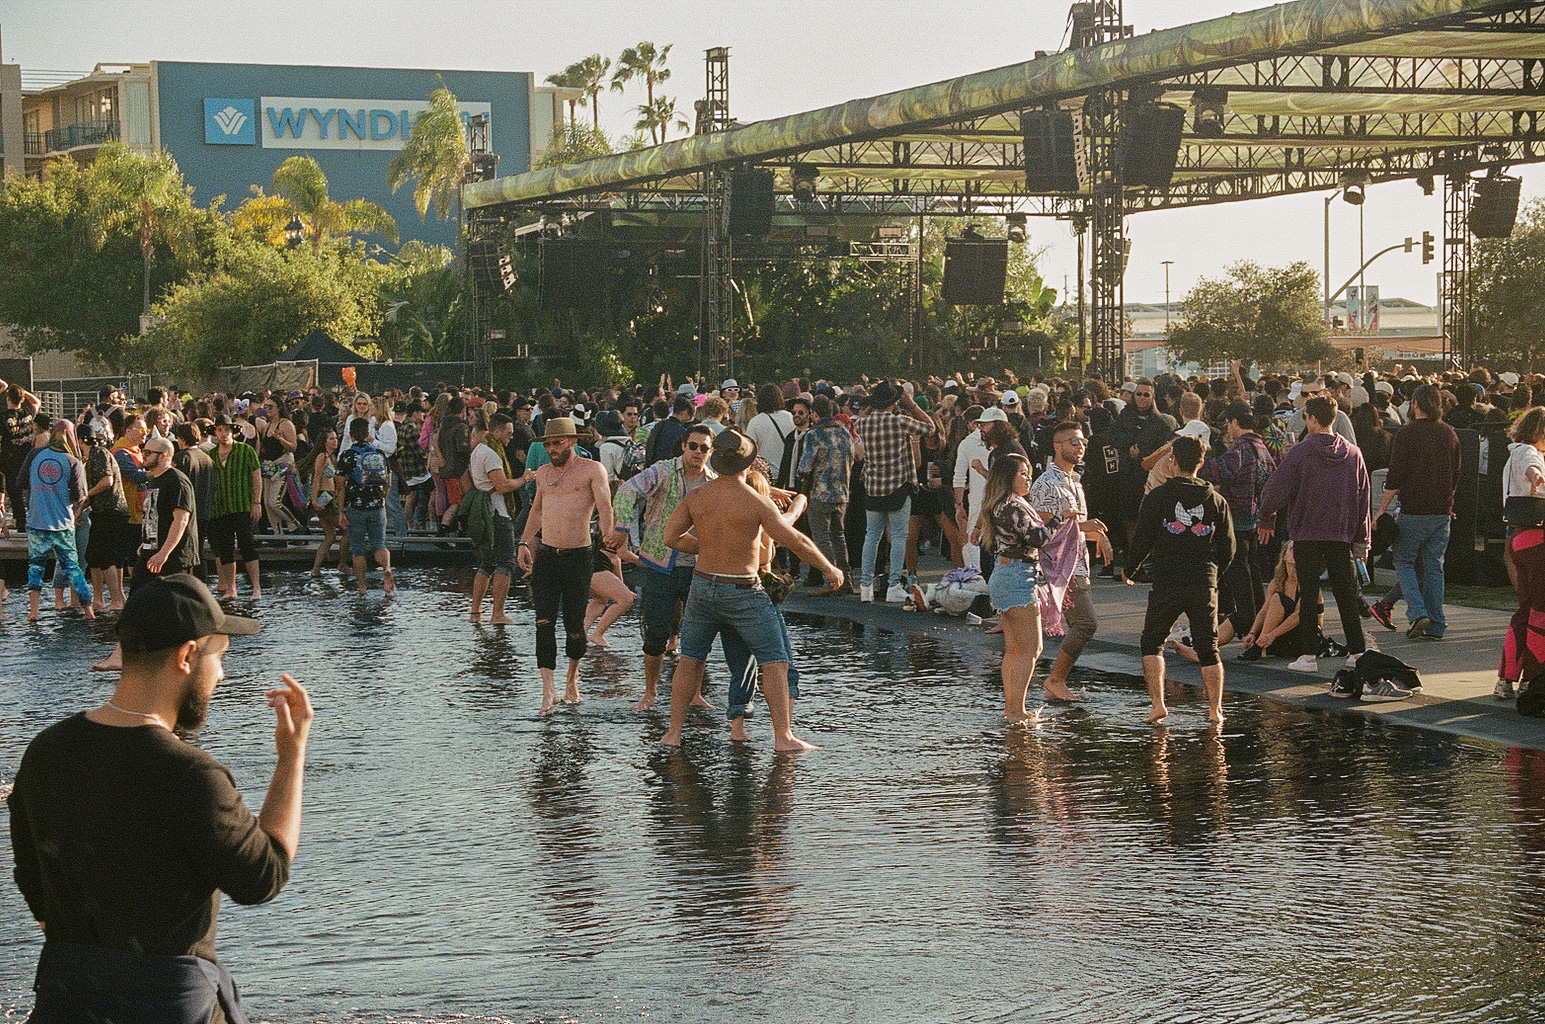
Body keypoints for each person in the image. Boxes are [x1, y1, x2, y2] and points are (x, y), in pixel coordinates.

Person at [8, 573, 310, 1022]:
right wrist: (291, 758)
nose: (222, 675)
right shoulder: (191, 775)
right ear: (187, 655)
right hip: (167, 1006)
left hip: (66, 1001)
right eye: (219, 657)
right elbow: (263, 877)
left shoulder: (46, 750)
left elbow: (31, 878)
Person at [658, 429, 842, 751]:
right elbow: (795, 541)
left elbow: (670, 538)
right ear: (748, 462)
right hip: (743, 590)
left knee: (690, 660)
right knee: (775, 660)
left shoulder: (697, 497)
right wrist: (829, 568)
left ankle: (673, 733)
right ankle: (783, 737)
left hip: (702, 587)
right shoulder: (755, 502)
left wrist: (706, 547)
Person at [1123, 435, 1235, 725]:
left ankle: (1158, 705)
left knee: (1152, 642)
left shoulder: (1157, 497)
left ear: (1172, 461)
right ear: (1201, 463)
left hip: (1167, 577)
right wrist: (1215, 574)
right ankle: (1215, 710)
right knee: (1208, 646)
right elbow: (1229, 546)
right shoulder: (1216, 500)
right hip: (1202, 579)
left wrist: (1130, 569)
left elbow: (1143, 538)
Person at [1258, 395, 1371, 675]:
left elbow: (1277, 488)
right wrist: (1362, 538)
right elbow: (1363, 497)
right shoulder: (1353, 454)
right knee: (1345, 592)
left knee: (1307, 593)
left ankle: (1308, 655)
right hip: (1341, 530)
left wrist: (1266, 516)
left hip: (1308, 529)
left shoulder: (1301, 452)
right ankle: (1357, 651)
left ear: (1310, 418)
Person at [609, 422, 717, 709]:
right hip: (659, 561)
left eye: (703, 448)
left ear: (710, 451)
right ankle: (650, 692)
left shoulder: (713, 480)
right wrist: (621, 527)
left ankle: (694, 694)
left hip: (697, 564)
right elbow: (627, 491)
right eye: (692, 446)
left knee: (699, 633)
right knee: (655, 632)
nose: (697, 452)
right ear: (683, 446)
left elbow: (742, 493)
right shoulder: (664, 470)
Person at [518, 417, 615, 714]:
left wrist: (609, 532)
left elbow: (604, 504)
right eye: (547, 444)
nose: (552, 449)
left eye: (557, 443)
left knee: (574, 625)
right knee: (543, 622)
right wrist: (523, 543)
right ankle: (548, 690)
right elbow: (536, 511)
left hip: (579, 556)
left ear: (572, 442)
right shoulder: (544, 473)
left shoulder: (592, 469)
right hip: (547, 554)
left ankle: (572, 678)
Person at [1029, 420, 1113, 700]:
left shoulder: (1074, 482)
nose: (1080, 447)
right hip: (1060, 567)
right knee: (1086, 624)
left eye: (1083, 442)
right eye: (1074, 442)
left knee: (1075, 626)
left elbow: (1075, 529)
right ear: (1057, 446)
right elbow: (1041, 532)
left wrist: (1096, 536)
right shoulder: (1046, 484)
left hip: (1077, 563)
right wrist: (1086, 528)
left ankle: (1046, 680)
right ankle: (1054, 680)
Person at [1375, 384, 1460, 641]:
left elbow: (1395, 475)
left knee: (1404, 561)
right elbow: (1455, 475)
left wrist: (1381, 510)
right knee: (1434, 567)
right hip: (1441, 511)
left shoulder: (1407, 433)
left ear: (1415, 404)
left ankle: (1417, 612)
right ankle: (1436, 623)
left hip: (1414, 508)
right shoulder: (1449, 433)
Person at [978, 453, 1058, 722]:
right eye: (1022, 473)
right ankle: (1017, 711)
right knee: (1031, 649)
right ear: (1007, 477)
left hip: (1005, 573)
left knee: (1013, 650)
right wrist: (1058, 519)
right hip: (1017, 577)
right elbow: (1037, 538)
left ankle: (1011, 709)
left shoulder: (999, 505)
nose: (1028, 478)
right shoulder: (1013, 506)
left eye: (1028, 473)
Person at [1198, 400, 1276, 653]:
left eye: (1227, 423)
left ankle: (1247, 627)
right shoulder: (1261, 446)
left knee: (1239, 579)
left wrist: (1197, 459)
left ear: (1233, 422)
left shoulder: (1240, 447)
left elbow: (1219, 471)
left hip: (1235, 521)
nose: (1226, 429)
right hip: (1253, 520)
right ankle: (1260, 628)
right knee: (1252, 577)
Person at [855, 379, 938, 603]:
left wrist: (872, 405)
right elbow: (930, 427)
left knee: (871, 537)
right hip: (898, 485)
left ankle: (865, 585)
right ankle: (893, 585)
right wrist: (912, 405)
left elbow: (859, 421)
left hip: (872, 486)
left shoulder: (863, 424)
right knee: (899, 537)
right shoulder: (899, 421)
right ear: (894, 401)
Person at [1495, 407, 1545, 699]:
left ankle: (1507, 678)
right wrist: (1537, 477)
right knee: (1540, 611)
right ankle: (1533, 679)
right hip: (1537, 538)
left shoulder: (1515, 452)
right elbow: (1532, 468)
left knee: (1526, 610)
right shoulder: (1529, 453)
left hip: (1517, 537)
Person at [26, 421, 96, 623]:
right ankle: (89, 611)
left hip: (37, 521)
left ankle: (33, 612)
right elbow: (79, 497)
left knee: (35, 568)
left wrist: (39, 488)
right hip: (62, 523)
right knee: (73, 568)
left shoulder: (34, 455)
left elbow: (20, 481)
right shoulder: (72, 461)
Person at [795, 393, 857, 595]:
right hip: (842, 492)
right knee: (839, 536)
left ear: (814, 413)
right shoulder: (845, 433)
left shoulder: (814, 435)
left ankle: (831, 580)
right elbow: (852, 459)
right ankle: (846, 579)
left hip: (820, 493)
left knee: (821, 538)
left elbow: (804, 467)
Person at [468, 412, 521, 624]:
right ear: (497, 432)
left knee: (487, 563)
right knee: (506, 562)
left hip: (483, 513)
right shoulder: (491, 454)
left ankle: (475, 612)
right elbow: (502, 485)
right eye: (508, 433)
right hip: (497, 513)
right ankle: (497, 613)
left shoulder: (478, 449)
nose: (511, 437)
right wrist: (524, 479)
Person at [336, 416, 396, 596]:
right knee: (379, 544)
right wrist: (382, 498)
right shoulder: (379, 453)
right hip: (378, 506)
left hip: (356, 507)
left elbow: (340, 486)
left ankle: (362, 587)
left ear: (352, 435)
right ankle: (386, 568)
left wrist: (340, 511)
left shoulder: (347, 455)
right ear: (368, 433)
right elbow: (389, 482)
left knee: (357, 548)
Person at [208, 415, 263, 601]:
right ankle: (231, 588)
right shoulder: (211, 455)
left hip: (242, 505)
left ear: (233, 431)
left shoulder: (246, 450)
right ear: (215, 432)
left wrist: (257, 502)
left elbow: (256, 477)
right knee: (225, 548)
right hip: (220, 507)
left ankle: (256, 587)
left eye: (227, 430)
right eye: (220, 430)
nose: (224, 433)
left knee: (247, 545)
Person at [135, 436, 201, 583]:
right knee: (138, 599)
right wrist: (146, 542)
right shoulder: (154, 480)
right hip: (150, 551)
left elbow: (181, 520)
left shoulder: (177, 481)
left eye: (148, 452)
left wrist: (163, 553)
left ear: (163, 456)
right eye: (142, 451)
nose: (143, 456)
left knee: (171, 603)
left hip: (173, 557)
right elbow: (155, 515)